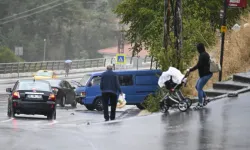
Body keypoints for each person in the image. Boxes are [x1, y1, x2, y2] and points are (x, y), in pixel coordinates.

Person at [187, 43, 213, 109]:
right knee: (197, 86)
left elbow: (198, 65)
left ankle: (200, 103)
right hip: (205, 74)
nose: (197, 50)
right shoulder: (205, 54)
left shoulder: (202, 55)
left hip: (206, 74)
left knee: (199, 88)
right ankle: (206, 98)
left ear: (199, 49)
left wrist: (190, 69)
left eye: (197, 49)